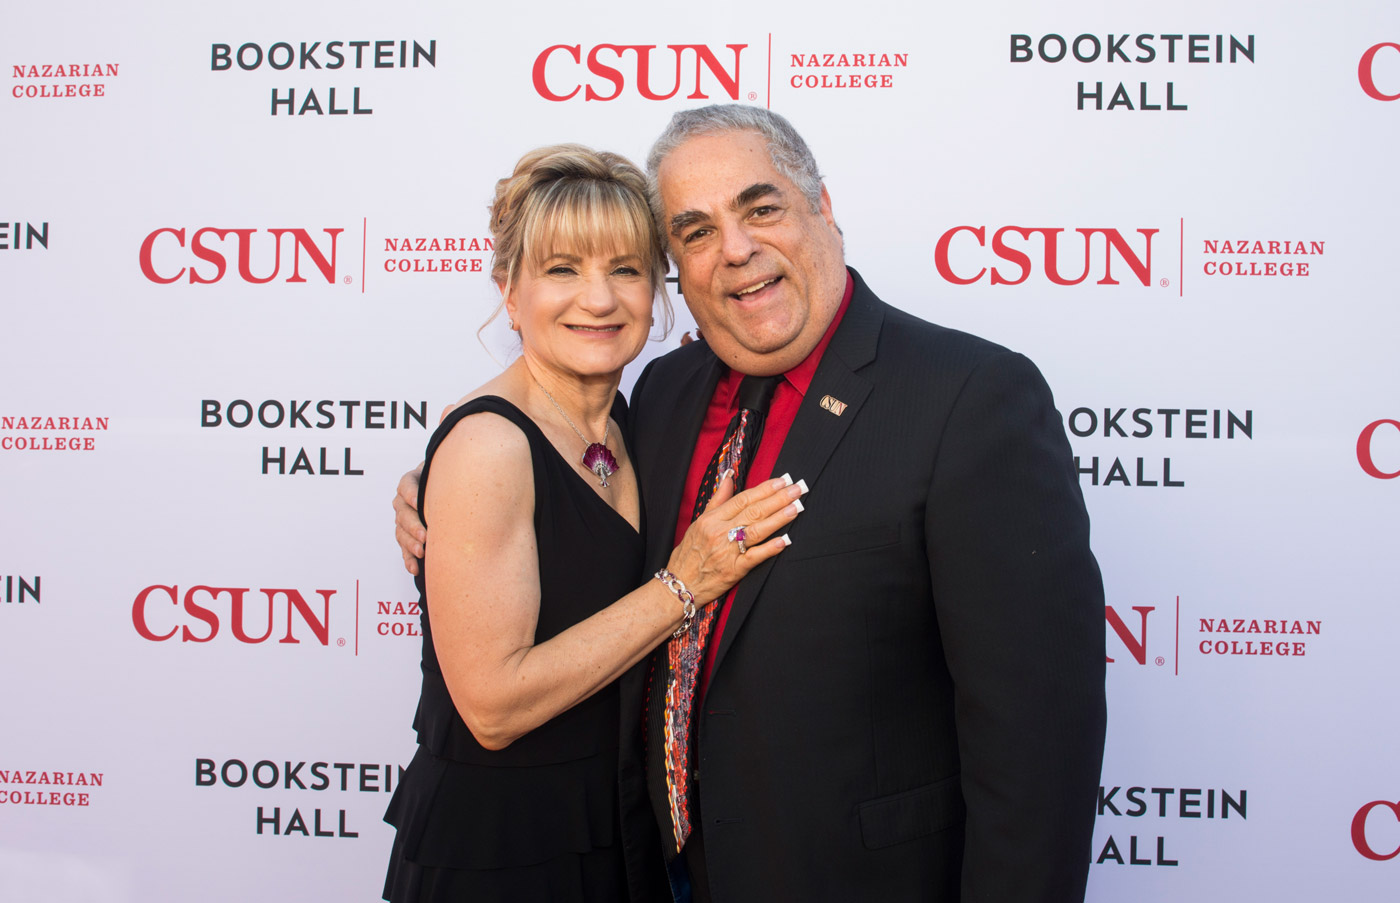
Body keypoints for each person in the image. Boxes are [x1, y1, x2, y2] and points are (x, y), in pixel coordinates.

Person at [396, 107, 1105, 902]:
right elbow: (552, 492)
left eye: (761, 208)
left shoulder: (969, 397)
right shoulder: (663, 393)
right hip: (640, 869)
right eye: (695, 232)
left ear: (823, 209)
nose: (735, 249)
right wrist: (444, 482)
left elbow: (1038, 742)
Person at [380, 143, 806, 903]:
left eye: (626, 269)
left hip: (619, 832)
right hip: (506, 853)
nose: (599, 299)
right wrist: (686, 582)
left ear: (657, 289)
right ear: (510, 292)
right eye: (562, 268)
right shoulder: (488, 442)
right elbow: (493, 705)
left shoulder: (635, 423)